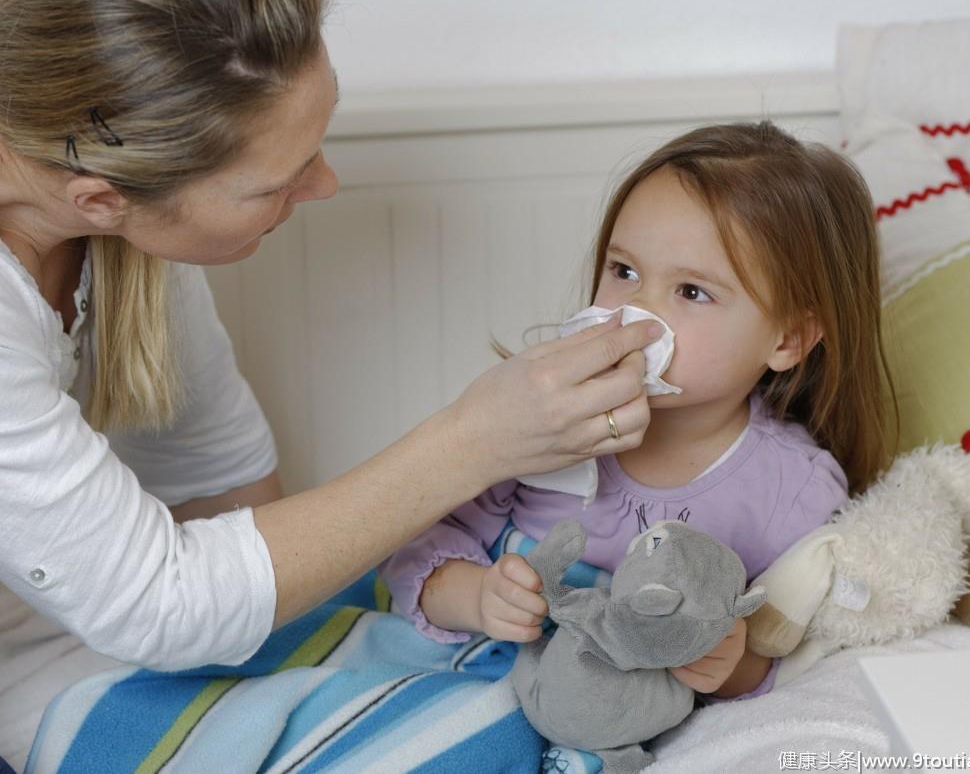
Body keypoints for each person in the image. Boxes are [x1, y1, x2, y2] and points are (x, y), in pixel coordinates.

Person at [0, 0, 661, 770]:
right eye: (278, 180)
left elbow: (210, 463)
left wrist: (318, 667)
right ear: (100, 201)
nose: (326, 183)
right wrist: (476, 440)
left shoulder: (69, 88)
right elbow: (161, 604)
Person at [382, 122, 896, 700]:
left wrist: (730, 662)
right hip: (477, 678)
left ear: (788, 340)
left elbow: (780, 654)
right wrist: (476, 597)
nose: (634, 312)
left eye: (691, 292)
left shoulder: (793, 491)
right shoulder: (540, 421)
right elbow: (413, 556)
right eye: (624, 272)